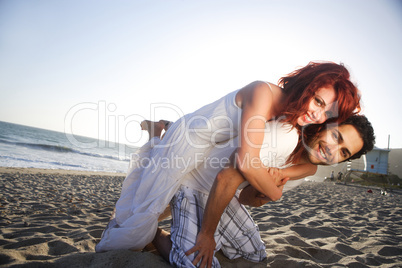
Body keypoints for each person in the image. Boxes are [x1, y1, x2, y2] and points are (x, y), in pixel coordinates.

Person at [95, 61, 361, 253]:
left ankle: (162, 129)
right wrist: (275, 191)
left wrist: (284, 176)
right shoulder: (263, 94)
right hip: (186, 141)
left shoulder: (290, 119)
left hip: (206, 151)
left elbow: (248, 167)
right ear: (306, 86)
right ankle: (156, 132)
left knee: (155, 208)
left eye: (328, 114)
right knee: (137, 224)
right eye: (317, 101)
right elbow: (246, 161)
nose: (318, 116)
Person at [156, 115, 375, 267]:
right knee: (193, 262)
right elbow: (227, 177)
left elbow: (245, 197)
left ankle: (184, 229)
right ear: (326, 126)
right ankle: (154, 234)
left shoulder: (303, 169)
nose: (332, 150)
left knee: (254, 255)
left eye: (343, 152)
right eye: (337, 137)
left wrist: (264, 195)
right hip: (196, 178)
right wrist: (207, 235)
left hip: (225, 191)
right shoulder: (285, 136)